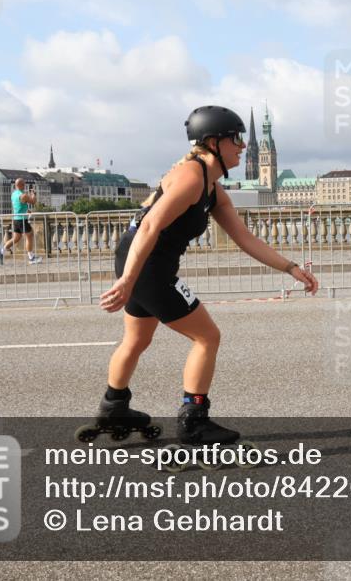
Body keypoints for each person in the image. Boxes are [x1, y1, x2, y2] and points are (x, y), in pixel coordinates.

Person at [94, 105, 319, 445]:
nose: (243, 147)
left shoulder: (212, 186)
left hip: (139, 261)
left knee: (137, 340)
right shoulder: (190, 176)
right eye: (236, 139)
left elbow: (245, 238)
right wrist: (127, 280)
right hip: (147, 266)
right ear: (213, 142)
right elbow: (151, 224)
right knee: (207, 337)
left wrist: (290, 268)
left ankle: (114, 407)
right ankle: (194, 421)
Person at [0, 178, 42, 264]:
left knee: (16, 238)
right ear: (21, 185)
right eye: (24, 184)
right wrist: (33, 194)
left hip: (16, 219)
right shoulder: (23, 195)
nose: (25, 185)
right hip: (22, 220)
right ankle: (31, 258)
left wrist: (26, 210)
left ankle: (1, 251)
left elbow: (19, 205)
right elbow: (33, 201)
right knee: (29, 236)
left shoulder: (13, 194)